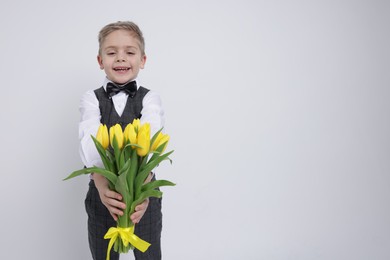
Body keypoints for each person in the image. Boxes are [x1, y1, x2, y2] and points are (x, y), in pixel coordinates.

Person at [79, 21, 164, 260]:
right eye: (111, 52)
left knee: (149, 253)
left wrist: (143, 190)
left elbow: (151, 137)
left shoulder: (150, 99)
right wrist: (101, 183)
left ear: (143, 60)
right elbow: (90, 139)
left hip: (143, 194)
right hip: (102, 193)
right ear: (100, 61)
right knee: (102, 253)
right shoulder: (91, 99)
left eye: (129, 52)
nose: (120, 58)